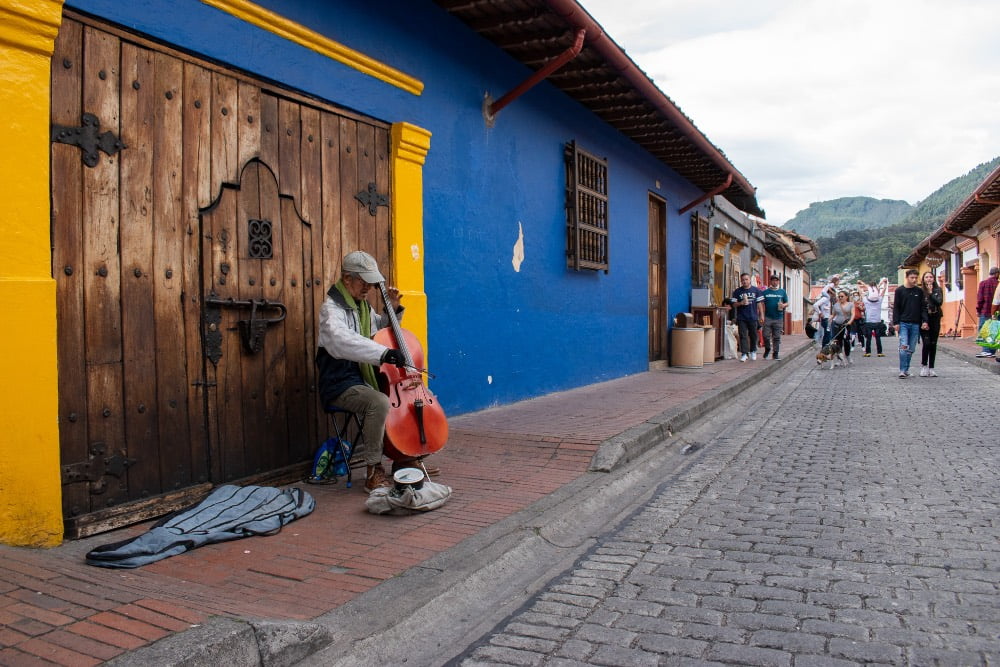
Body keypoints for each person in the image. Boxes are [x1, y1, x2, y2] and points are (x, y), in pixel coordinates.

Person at [316, 250, 408, 493]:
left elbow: (380, 329)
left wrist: (394, 309)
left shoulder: (362, 307)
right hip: (339, 382)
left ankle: (404, 455)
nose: (368, 287)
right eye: (363, 281)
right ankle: (373, 470)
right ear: (347, 279)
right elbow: (341, 340)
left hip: (363, 377)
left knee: (404, 394)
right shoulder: (331, 310)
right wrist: (383, 353)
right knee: (378, 402)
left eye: (370, 282)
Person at [892, 268, 926, 378]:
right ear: (906, 277)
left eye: (916, 278)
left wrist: (924, 321)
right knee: (903, 346)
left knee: (911, 348)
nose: (914, 280)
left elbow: (923, 307)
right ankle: (902, 370)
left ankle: (906, 369)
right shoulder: (899, 291)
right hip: (903, 323)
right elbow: (896, 307)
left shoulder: (919, 291)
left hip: (916, 323)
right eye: (912, 277)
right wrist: (896, 322)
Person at [730, 273, 764, 362]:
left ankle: (753, 351)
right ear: (741, 281)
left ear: (750, 280)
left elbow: (759, 303)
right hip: (742, 317)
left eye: (746, 279)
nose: (745, 281)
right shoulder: (737, 292)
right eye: (743, 280)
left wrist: (762, 315)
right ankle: (744, 353)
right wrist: (741, 303)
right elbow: (734, 304)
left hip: (753, 316)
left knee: (753, 335)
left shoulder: (756, 290)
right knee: (743, 335)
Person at [918, 272, 945, 377]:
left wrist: (930, 293)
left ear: (934, 279)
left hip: (935, 318)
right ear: (923, 279)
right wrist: (923, 321)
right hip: (924, 319)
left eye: (930, 277)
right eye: (926, 277)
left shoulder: (938, 290)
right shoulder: (920, 291)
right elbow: (921, 307)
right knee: (926, 342)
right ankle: (924, 365)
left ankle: (931, 367)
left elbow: (939, 302)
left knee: (933, 343)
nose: (929, 279)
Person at [857, 277, 888, 357]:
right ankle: (879, 352)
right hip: (877, 321)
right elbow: (883, 292)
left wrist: (858, 284)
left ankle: (868, 352)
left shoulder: (866, 301)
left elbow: (861, 292)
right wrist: (885, 284)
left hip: (868, 321)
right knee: (878, 338)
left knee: (869, 338)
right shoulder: (879, 300)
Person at [760, 274, 788, 360]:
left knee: (777, 337)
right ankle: (767, 348)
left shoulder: (782, 292)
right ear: (770, 281)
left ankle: (775, 353)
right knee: (765, 335)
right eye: (773, 280)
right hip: (768, 317)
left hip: (778, 317)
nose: (775, 282)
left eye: (776, 280)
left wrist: (783, 305)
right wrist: (762, 315)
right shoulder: (765, 292)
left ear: (778, 282)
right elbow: (760, 303)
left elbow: (787, 303)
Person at [976, 267, 999, 358]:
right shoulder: (998, 284)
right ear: (997, 274)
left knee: (984, 330)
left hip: (985, 311)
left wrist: (978, 310)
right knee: (994, 331)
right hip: (996, 312)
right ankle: (992, 351)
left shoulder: (983, 283)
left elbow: (980, 299)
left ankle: (986, 350)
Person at [830, 290, 856, 364]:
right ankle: (839, 358)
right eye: (839, 296)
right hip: (837, 325)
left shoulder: (850, 304)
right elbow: (833, 314)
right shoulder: (835, 305)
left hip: (846, 325)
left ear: (846, 297)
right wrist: (829, 318)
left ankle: (847, 355)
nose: (840, 298)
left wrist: (850, 321)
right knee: (838, 342)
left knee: (846, 341)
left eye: (842, 296)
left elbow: (853, 314)